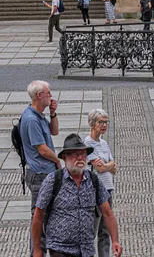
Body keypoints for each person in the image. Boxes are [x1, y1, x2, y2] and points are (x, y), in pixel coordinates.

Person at [32, 133, 123, 257]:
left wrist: (115, 241)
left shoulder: (93, 180)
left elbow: (107, 213)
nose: (81, 158)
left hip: (86, 250)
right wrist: (37, 249)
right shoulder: (53, 180)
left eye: (83, 154)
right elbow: (38, 216)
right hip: (59, 249)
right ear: (65, 158)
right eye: (76, 154)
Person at [20, 80, 61, 257]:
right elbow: (42, 149)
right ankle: (36, 253)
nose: (50, 96)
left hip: (45, 172)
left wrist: (52, 113)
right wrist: (58, 161)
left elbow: (54, 132)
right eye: (48, 93)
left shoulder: (39, 115)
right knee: (39, 217)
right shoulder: (31, 119)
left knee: (45, 216)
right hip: (39, 174)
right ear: (39, 95)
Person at [84, 109, 116, 257]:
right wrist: (107, 165)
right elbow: (100, 167)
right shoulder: (87, 143)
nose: (104, 125)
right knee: (93, 229)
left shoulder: (103, 143)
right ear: (92, 124)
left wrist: (107, 166)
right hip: (96, 191)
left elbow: (113, 167)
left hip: (108, 189)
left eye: (105, 122)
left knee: (105, 230)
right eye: (100, 122)